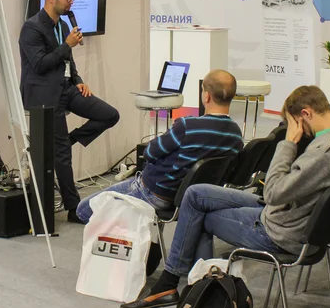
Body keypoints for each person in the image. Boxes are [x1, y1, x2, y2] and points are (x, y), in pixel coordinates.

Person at [121, 85, 330, 308]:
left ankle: (189, 296)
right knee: (195, 194)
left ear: (305, 115)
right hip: (300, 218)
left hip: (282, 231)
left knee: (202, 216)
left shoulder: (326, 152)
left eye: (293, 124)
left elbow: (273, 192)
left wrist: (289, 143)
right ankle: (182, 290)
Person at [76, 70, 243, 224]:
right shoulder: (235, 135)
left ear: (206, 96)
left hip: (156, 193)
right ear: (232, 96)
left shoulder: (187, 126)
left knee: (84, 210)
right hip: (197, 198)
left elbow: (149, 152)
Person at [19, 0, 120, 223]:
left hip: (66, 88)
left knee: (109, 115)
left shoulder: (62, 25)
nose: (71, 2)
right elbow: (41, 64)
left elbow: (67, 61)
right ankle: (74, 208)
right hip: (44, 94)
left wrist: (78, 80)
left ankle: (69, 140)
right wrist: (66, 45)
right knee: (62, 157)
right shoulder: (31, 28)